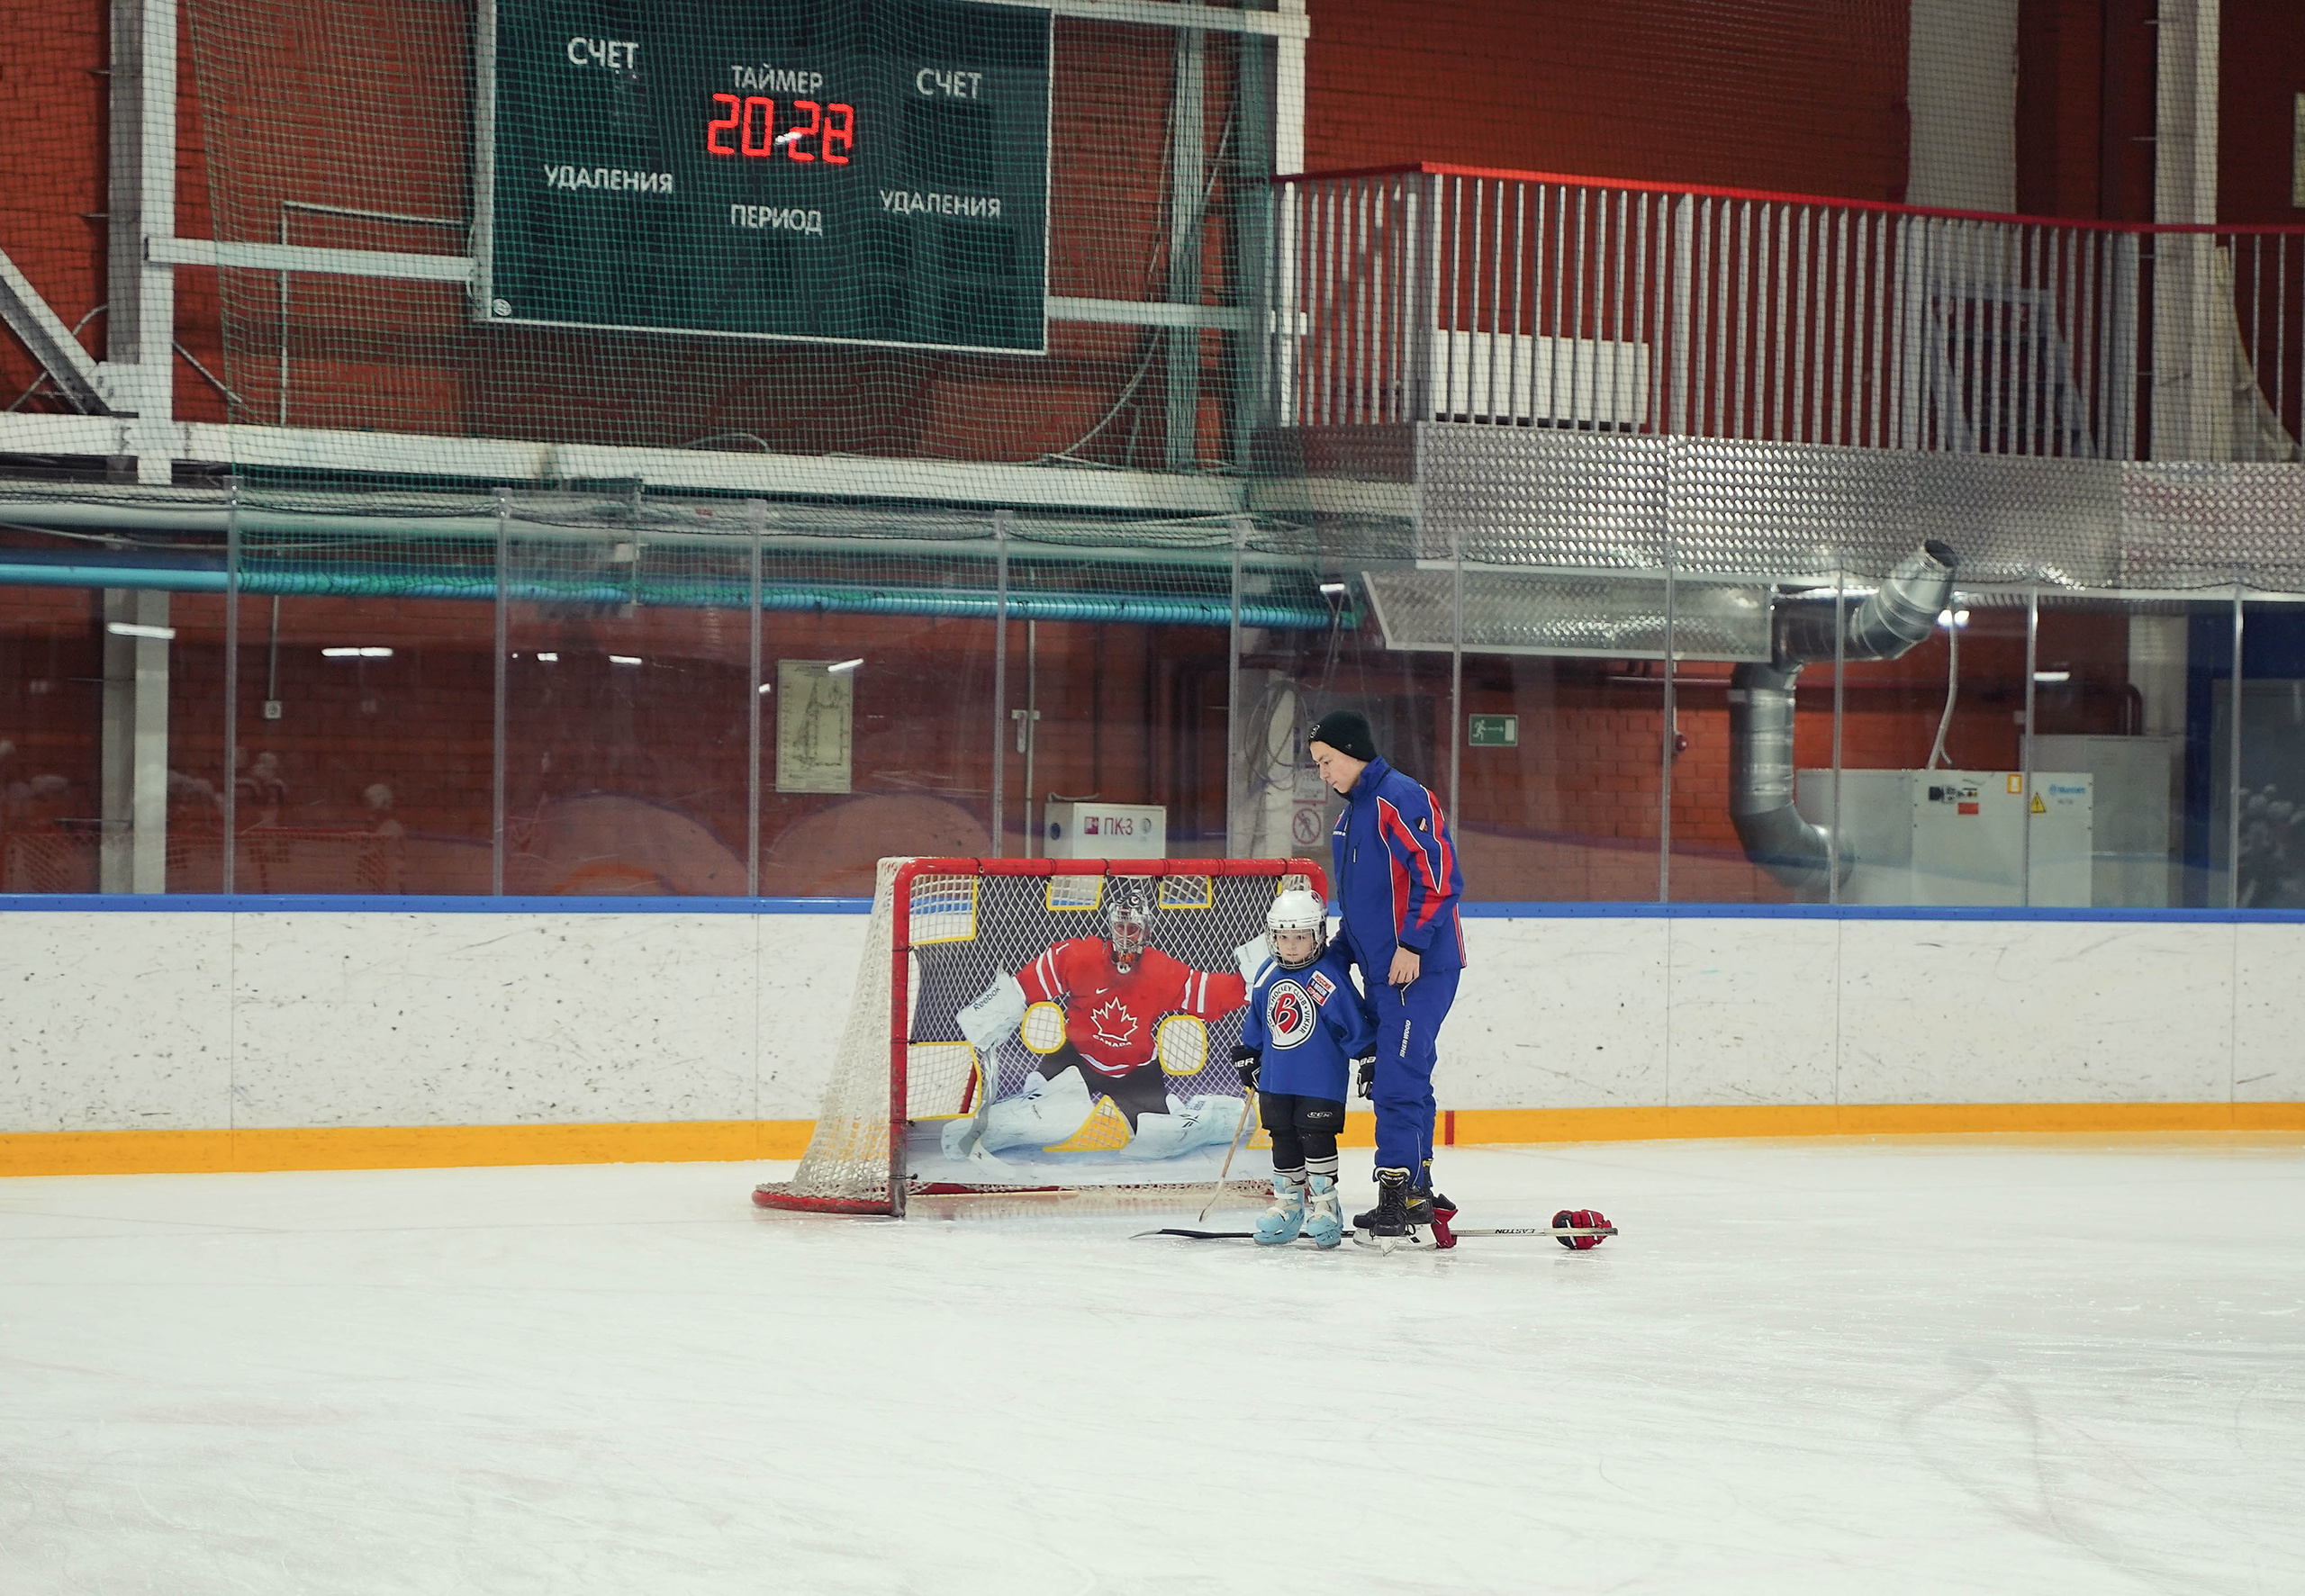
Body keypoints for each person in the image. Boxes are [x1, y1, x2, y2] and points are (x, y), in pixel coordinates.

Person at [946, 877, 1251, 1162]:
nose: (1126, 936)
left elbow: (1213, 993)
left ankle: (1216, 1113)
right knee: (1039, 1114)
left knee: (1159, 1137)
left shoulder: (1161, 971)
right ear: (1110, 926)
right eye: (1121, 927)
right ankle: (993, 1126)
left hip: (1136, 1071)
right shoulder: (1079, 957)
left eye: (1133, 929)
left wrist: (1257, 980)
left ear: (1147, 931)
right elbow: (1022, 987)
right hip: (1074, 1059)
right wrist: (987, 1016)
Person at [1306, 708, 1465, 1242]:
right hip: (1382, 973)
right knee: (1406, 1077)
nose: (1323, 774)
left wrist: (1413, 945)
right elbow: (1362, 909)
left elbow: (1440, 877)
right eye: (1318, 765)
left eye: (1327, 762)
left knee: (1396, 1079)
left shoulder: (1401, 797)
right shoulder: (1349, 818)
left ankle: (1395, 1195)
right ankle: (1416, 1186)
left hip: (1416, 969)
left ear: (1352, 751)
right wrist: (1327, 957)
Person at [1232, 888, 1374, 1248]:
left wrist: (1368, 1055)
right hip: (1277, 1079)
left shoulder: (1326, 978)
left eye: (1300, 936)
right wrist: (1249, 1051)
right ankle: (1288, 1206)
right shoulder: (1267, 974)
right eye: (1283, 936)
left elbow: (1351, 1023)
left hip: (1319, 1080)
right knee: (1283, 1137)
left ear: (1318, 935)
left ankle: (1326, 1206)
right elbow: (1259, 1018)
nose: (1291, 945)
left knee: (1316, 1137)